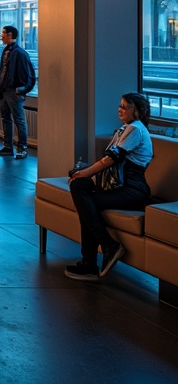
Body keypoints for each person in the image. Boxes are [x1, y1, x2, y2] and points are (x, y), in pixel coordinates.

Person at [65, 92, 154, 281]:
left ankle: (101, 254)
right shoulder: (125, 129)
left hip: (133, 191)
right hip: (119, 187)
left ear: (136, 111)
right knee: (79, 188)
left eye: (124, 106)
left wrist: (85, 172)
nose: (119, 110)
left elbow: (111, 159)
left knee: (86, 202)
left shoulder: (136, 130)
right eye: (120, 105)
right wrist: (81, 176)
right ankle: (99, 254)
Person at [0, 25, 36, 159]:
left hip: (13, 92)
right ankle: (8, 147)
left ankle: (22, 148)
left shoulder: (19, 53)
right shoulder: (7, 51)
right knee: (6, 119)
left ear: (10, 35)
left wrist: (21, 90)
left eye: (3, 33)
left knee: (18, 120)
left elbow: (29, 75)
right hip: (5, 91)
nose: (1, 35)